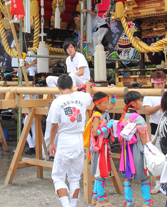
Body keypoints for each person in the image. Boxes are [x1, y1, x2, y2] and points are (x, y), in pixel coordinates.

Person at [48, 74, 93, 207]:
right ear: (72, 85)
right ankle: (73, 204)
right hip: (78, 140)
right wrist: (89, 85)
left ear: (58, 88)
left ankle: (66, 205)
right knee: (74, 177)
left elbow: (54, 126)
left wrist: (51, 143)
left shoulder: (57, 102)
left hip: (64, 140)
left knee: (58, 176)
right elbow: (89, 96)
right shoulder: (81, 96)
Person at [118, 91, 151, 207]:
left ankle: (128, 202)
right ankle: (147, 202)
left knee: (128, 175)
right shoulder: (138, 118)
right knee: (145, 175)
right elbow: (142, 135)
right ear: (133, 103)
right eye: (140, 100)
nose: (141, 102)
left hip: (127, 149)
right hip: (137, 148)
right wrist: (147, 148)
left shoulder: (124, 116)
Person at [85, 91, 117, 207]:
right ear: (97, 104)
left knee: (101, 170)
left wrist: (113, 98)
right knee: (100, 172)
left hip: (103, 145)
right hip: (99, 146)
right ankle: (100, 200)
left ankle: (95, 196)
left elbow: (111, 106)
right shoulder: (97, 115)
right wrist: (106, 128)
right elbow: (94, 132)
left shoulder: (103, 111)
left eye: (107, 102)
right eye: (105, 103)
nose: (107, 105)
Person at [143, 71, 166, 194]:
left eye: (162, 83)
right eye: (158, 84)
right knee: (157, 155)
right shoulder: (148, 95)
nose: (160, 86)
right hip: (155, 126)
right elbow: (148, 111)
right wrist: (160, 106)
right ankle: (158, 183)